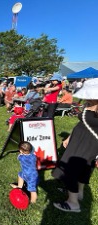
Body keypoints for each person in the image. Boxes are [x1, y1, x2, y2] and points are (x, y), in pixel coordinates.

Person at [52, 78, 98, 213]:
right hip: (79, 139)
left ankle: (73, 203)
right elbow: (82, 124)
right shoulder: (88, 104)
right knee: (83, 168)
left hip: (90, 142)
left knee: (70, 168)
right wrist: (70, 137)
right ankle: (79, 193)